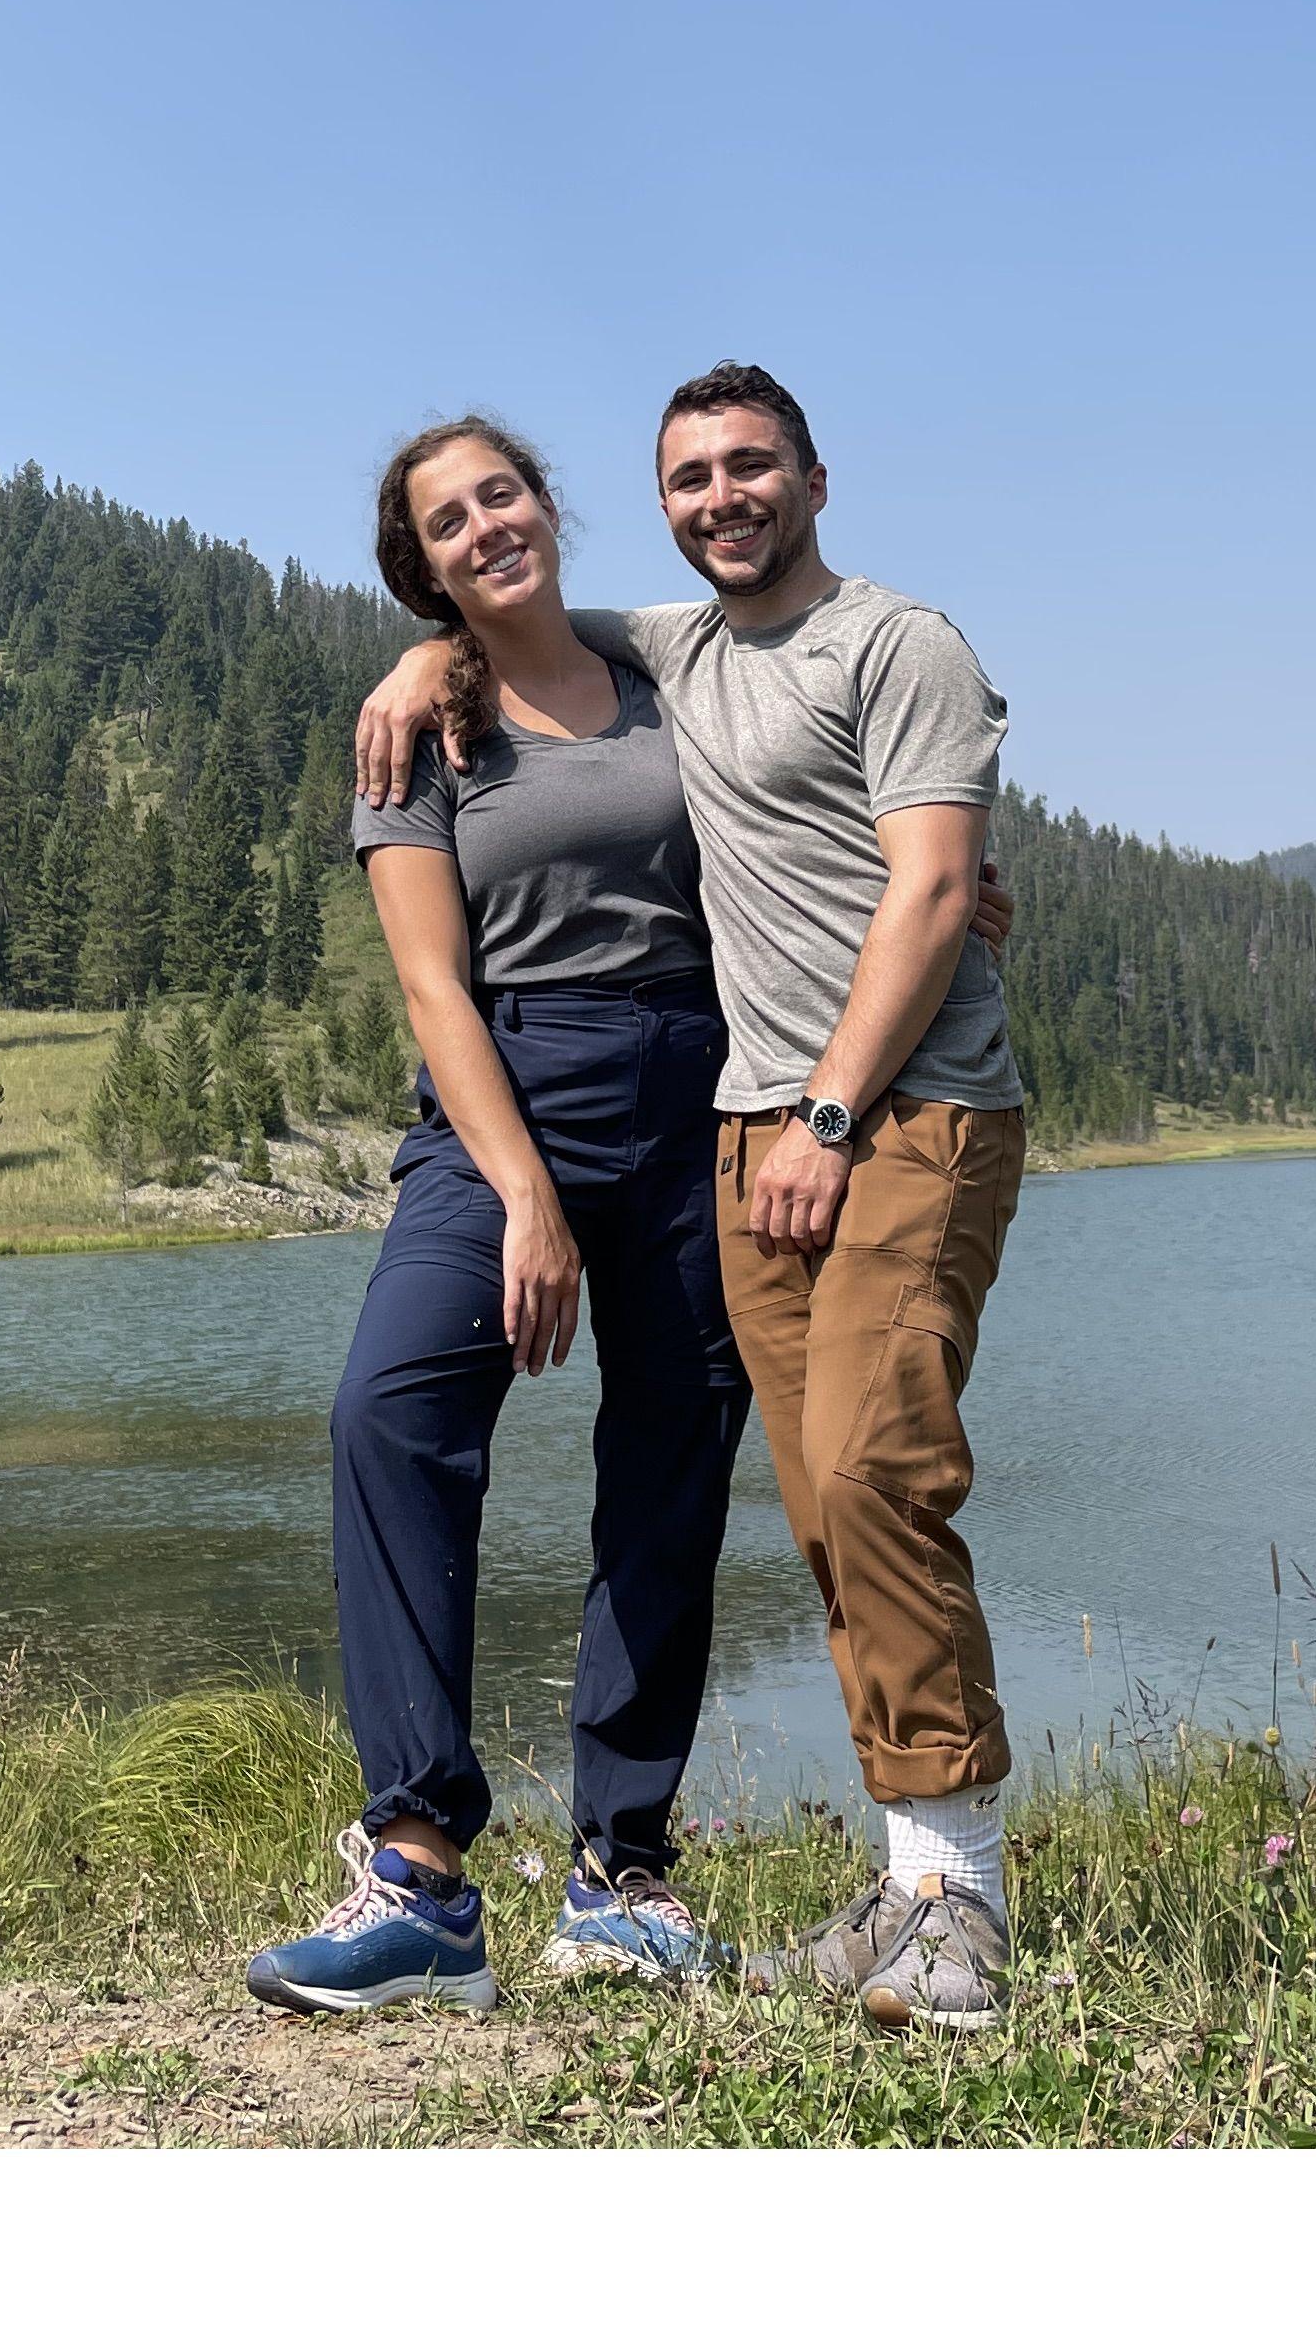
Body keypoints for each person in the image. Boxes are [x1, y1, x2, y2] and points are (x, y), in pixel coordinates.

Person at [245, 415, 1012, 2017]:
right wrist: (524, 1196)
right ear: (421, 567)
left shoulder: (674, 669)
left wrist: (957, 896)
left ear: (550, 506)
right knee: (390, 1412)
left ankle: (623, 1876)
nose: (487, 528)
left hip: (704, 1091)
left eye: (503, 494)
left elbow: (817, 838)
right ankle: (418, 1869)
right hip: (504, 1093)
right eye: (448, 523)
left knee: (671, 1463)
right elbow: (431, 987)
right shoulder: (418, 732)